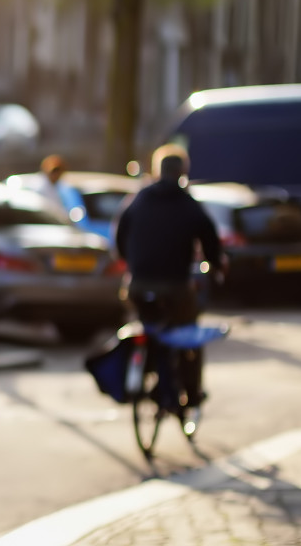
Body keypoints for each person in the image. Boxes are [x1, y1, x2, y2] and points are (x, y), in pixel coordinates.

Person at [113, 145, 224, 412]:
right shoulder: (188, 204)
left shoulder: (137, 200)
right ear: (183, 172)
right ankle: (192, 393)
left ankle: (148, 366)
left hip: (137, 286)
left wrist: (132, 264)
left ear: (156, 170)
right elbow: (211, 242)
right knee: (188, 333)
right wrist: (216, 267)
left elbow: (119, 238)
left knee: (148, 324)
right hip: (175, 288)